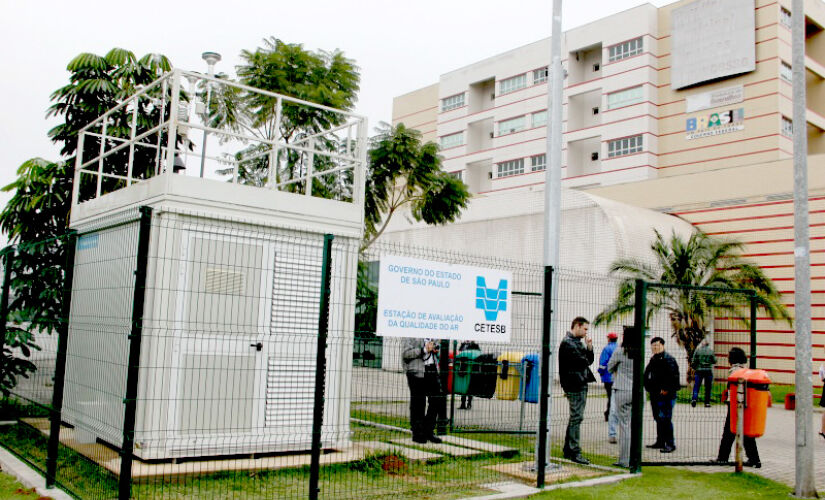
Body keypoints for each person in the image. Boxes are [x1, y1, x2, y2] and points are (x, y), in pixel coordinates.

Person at [558, 316, 596, 464]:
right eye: (585, 329)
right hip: (575, 385)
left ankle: (569, 449)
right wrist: (586, 352)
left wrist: (589, 347)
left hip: (578, 383)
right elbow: (584, 361)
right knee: (576, 418)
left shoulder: (575, 343)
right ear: (577, 326)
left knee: (576, 417)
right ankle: (574, 451)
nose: (586, 332)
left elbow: (588, 360)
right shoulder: (569, 344)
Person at [715, 347, 761, 467]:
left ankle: (722, 457)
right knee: (745, 433)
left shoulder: (734, 371)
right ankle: (754, 459)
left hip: (734, 404)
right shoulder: (745, 370)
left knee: (728, 432)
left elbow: (732, 388)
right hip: (744, 404)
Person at [401, 337, 445, 444]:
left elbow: (438, 351)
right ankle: (417, 433)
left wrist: (436, 350)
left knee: (436, 400)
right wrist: (424, 350)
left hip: (432, 369)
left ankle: (428, 430)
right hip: (416, 371)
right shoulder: (411, 334)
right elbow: (406, 354)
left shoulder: (433, 334)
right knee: (418, 402)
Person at [607, 326, 639, 468]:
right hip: (638, 391)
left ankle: (625, 460)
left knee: (625, 426)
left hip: (623, 390)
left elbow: (609, 367)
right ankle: (636, 458)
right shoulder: (640, 351)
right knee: (636, 426)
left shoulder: (620, 351)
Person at [644, 337, 680, 453]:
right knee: (658, 418)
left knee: (665, 418)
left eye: (657, 345)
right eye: (653, 345)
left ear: (663, 346)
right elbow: (647, 373)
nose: (655, 347)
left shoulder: (669, 359)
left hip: (666, 395)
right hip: (655, 394)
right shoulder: (653, 359)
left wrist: (666, 389)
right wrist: (648, 386)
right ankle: (660, 441)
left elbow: (673, 377)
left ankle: (670, 444)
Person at [598, 332, 620, 443]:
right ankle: (610, 414)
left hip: (608, 377)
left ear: (609, 339)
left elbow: (603, 363)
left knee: (610, 397)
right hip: (617, 378)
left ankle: (608, 414)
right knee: (614, 397)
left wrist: (600, 372)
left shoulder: (607, 349)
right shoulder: (620, 348)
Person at [691, 339, 717, 408]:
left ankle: (694, 399)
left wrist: (694, 368)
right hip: (708, 370)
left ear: (702, 344)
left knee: (696, 386)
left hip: (699, 370)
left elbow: (693, 361)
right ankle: (707, 402)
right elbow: (715, 361)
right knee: (708, 387)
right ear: (707, 344)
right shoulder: (711, 351)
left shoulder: (698, 350)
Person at [458, 340, 480, 410]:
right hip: (463, 368)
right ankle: (463, 404)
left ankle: (469, 403)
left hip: (471, 368)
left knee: (470, 385)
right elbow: (459, 353)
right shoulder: (463, 344)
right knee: (463, 386)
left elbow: (478, 355)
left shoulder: (475, 345)